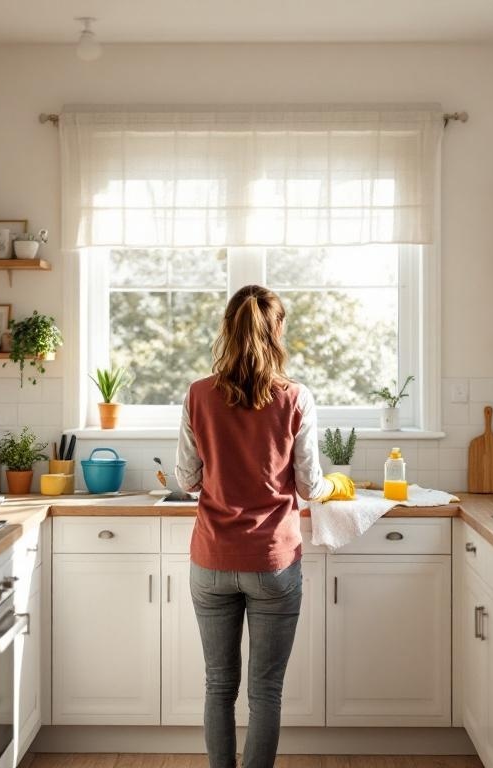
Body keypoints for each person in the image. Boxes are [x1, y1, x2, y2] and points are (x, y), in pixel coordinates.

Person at [175, 284, 354, 768]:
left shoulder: (198, 395)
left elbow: (187, 480)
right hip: (273, 564)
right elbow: (310, 484)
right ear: (277, 332)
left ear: (227, 331)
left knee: (218, 684)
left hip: (211, 561)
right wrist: (338, 483)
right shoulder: (295, 397)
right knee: (266, 690)